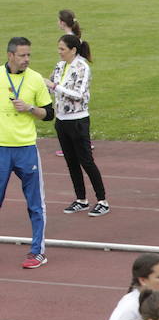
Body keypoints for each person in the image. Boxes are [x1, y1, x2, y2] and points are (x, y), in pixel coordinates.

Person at [1, 37, 54, 269]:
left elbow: (49, 114)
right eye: (22, 55)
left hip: (26, 149)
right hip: (1, 148)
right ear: (10, 55)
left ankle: (37, 252)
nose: (27, 59)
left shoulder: (34, 79)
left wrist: (30, 108)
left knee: (35, 204)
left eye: (29, 55)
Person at [46, 34, 109, 216]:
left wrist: (54, 86)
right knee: (71, 162)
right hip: (62, 120)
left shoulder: (82, 67)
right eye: (58, 49)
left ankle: (102, 200)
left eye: (62, 49)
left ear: (73, 50)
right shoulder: (60, 66)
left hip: (78, 120)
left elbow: (78, 94)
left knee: (86, 162)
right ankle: (81, 199)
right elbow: (49, 85)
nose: (59, 52)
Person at [55, 9, 81, 158]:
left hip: (72, 76)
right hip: (70, 74)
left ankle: (72, 144)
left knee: (72, 106)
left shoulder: (69, 38)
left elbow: (75, 60)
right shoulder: (74, 36)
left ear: (62, 22)